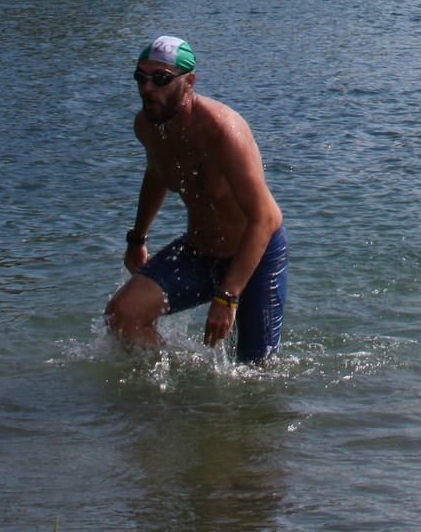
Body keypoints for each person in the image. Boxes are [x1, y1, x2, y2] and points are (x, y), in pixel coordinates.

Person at [104, 36, 288, 363]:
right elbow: (157, 173)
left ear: (189, 81)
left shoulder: (223, 131)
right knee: (121, 316)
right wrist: (137, 239)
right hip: (198, 252)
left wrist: (228, 296)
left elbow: (266, 218)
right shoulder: (148, 125)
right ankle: (183, 378)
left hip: (253, 257)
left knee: (256, 371)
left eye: (160, 79)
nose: (147, 88)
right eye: (140, 77)